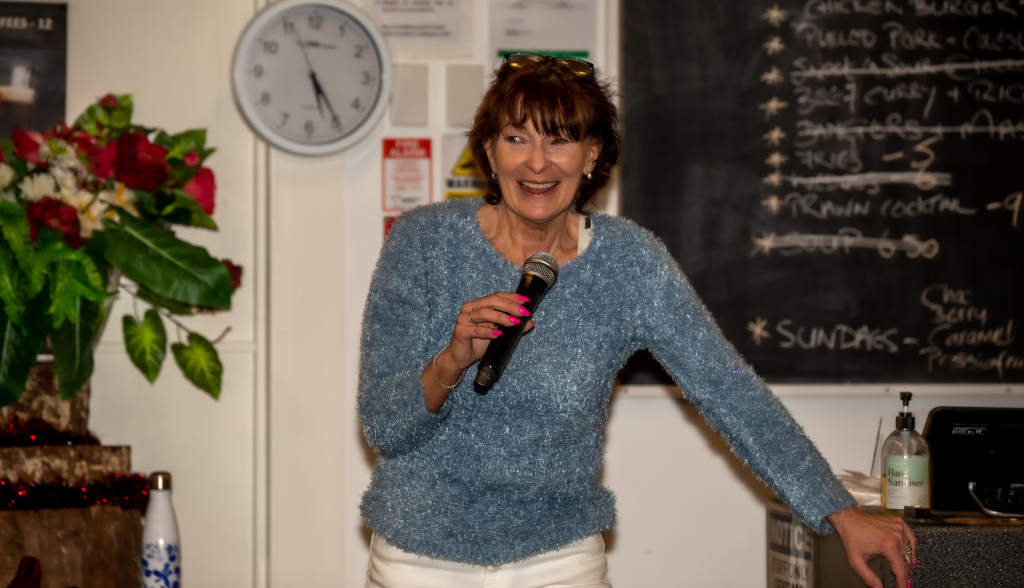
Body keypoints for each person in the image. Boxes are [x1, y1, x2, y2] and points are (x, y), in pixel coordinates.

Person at [357, 52, 916, 588]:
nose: (537, 162)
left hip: (557, 560)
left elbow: (730, 391)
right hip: (417, 559)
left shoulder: (629, 261)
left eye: (560, 140)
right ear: (488, 149)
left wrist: (839, 511)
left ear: (592, 155)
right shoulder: (423, 242)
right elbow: (384, 427)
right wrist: (452, 359)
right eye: (517, 138)